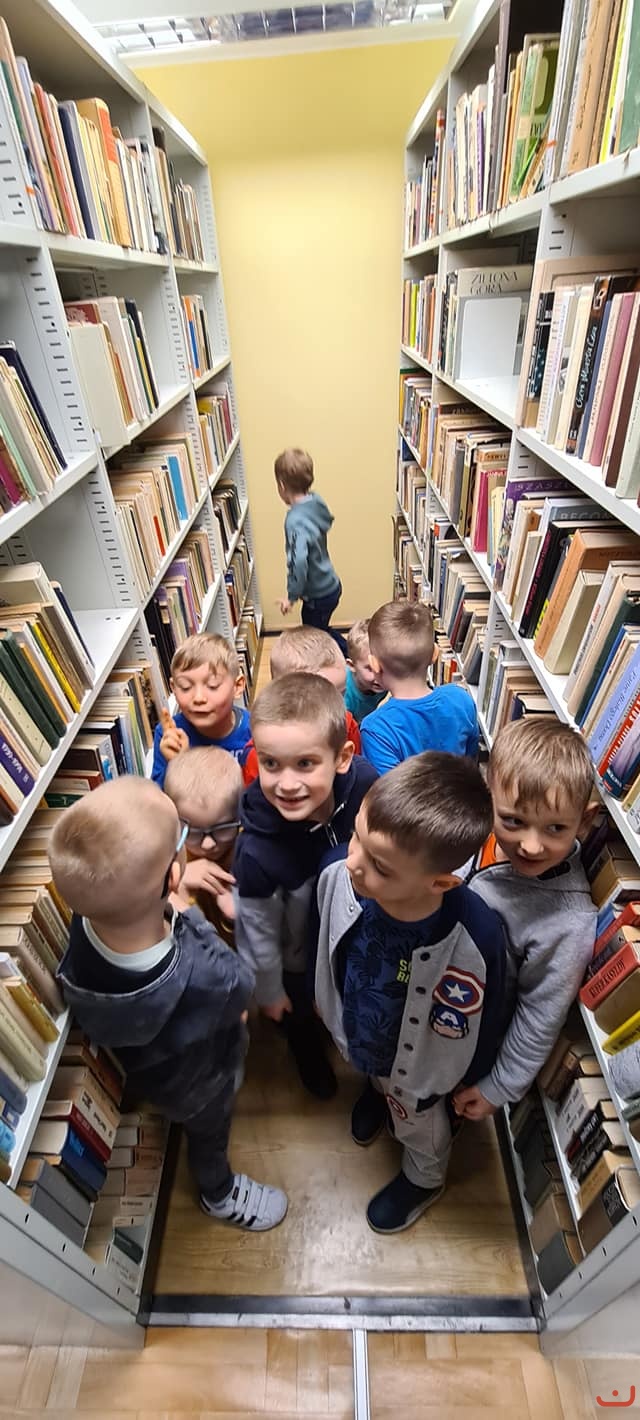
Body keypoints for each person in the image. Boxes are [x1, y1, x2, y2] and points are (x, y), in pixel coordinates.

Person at [49, 777, 287, 1231]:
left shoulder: (88, 915)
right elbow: (240, 988)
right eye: (182, 838)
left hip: (144, 1064)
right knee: (210, 1130)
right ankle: (219, 1193)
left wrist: (166, 894)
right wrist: (188, 909)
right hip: (200, 1082)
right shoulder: (202, 973)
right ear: (173, 876)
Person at [313, 753, 505, 1233]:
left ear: (440, 882)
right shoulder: (339, 873)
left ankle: (424, 1179)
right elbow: (329, 941)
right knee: (374, 1075)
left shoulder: (476, 935)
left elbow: (488, 1014)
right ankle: (377, 1094)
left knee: (421, 1130)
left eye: (379, 866)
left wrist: (473, 1079)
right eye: (356, 835)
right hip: (363, 1038)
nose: (352, 862)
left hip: (421, 1074)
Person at [233, 672, 377, 1099]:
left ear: (343, 758)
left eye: (305, 764)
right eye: (271, 764)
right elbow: (257, 931)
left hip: (359, 933)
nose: (287, 783)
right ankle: (307, 1052)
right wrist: (269, 992)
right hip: (299, 962)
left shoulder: (365, 784)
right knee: (301, 1018)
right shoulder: (256, 853)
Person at [453, 718, 598, 1125]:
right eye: (514, 821)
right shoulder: (478, 830)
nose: (531, 846)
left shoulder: (568, 922)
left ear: (585, 822)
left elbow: (539, 1017)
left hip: (468, 1033)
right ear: (488, 799)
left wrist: (498, 1087)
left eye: (555, 829)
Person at [360, 602, 479, 775]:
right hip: (461, 791)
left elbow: (389, 789)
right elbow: (471, 762)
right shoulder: (462, 699)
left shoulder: (376, 729)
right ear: (435, 654)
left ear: (374, 665)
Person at [241, 627, 361, 785]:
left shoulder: (346, 724)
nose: (336, 707)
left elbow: (355, 772)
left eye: (341, 695)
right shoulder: (261, 753)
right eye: (320, 700)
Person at [150, 633, 250, 790]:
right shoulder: (169, 735)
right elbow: (160, 797)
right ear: (173, 688)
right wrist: (177, 765)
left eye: (212, 686)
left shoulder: (255, 730)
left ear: (237, 686)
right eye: (185, 687)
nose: (198, 698)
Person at [164, 746, 242, 941]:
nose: (208, 844)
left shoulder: (249, 853)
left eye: (222, 829)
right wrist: (180, 887)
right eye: (194, 832)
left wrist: (234, 918)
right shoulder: (166, 857)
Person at [274, 447, 346, 652]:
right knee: (321, 631)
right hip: (331, 585)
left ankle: (350, 654)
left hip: (318, 596)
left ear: (281, 486)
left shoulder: (295, 521)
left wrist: (292, 596)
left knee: (315, 638)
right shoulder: (315, 502)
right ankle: (350, 652)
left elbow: (298, 562)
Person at [344, 618, 387, 725]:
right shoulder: (345, 696)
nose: (379, 674)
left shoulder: (387, 679)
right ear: (352, 666)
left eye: (386, 666)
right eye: (370, 668)